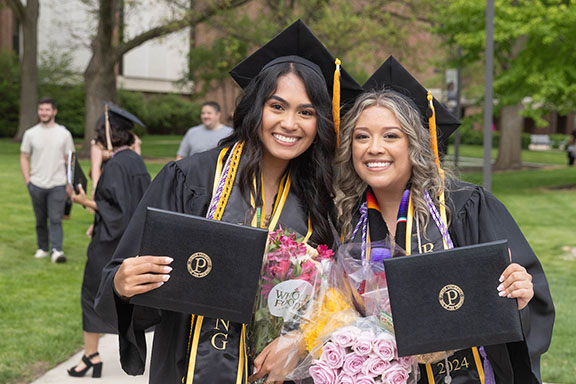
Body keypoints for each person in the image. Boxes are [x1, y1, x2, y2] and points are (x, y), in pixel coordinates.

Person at [94, 20, 361, 384]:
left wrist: (303, 340)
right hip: (186, 368)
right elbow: (122, 273)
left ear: (320, 122)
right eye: (277, 106)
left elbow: (346, 297)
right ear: (255, 108)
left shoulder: (324, 197)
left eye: (306, 111)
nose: (290, 123)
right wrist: (122, 286)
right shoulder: (191, 179)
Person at [334, 57, 555, 384]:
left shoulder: (464, 207)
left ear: (415, 143)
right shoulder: (345, 217)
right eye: (362, 136)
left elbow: (526, 298)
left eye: (391, 136)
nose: (374, 148)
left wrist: (520, 296)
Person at [67, 104, 151, 378]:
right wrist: (97, 222)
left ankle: (91, 356)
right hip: (131, 240)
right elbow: (133, 205)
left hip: (111, 244)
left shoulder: (115, 165)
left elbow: (118, 210)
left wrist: (85, 202)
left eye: (98, 135)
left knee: (91, 294)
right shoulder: (135, 160)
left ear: (109, 134)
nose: (96, 139)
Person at [20, 97, 75, 263]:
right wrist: (28, 179)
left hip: (58, 184)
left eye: (47, 109)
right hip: (36, 184)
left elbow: (70, 160)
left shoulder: (64, 134)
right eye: (41, 109)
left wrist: (69, 183)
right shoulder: (30, 133)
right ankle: (43, 248)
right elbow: (24, 156)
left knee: (56, 219)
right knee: (40, 220)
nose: (44, 113)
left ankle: (57, 250)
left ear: (54, 111)